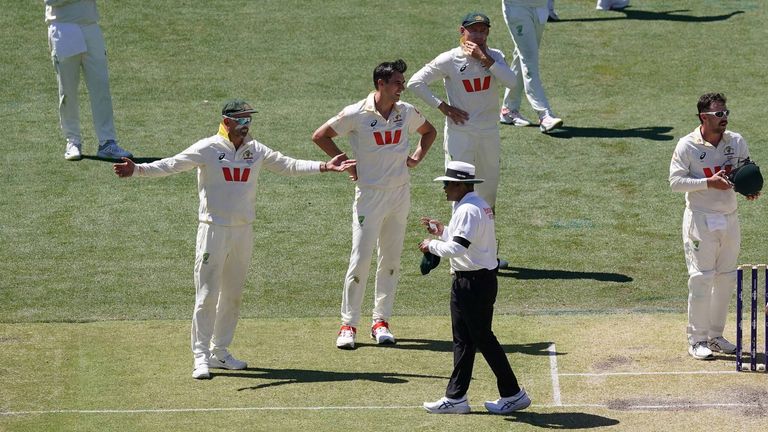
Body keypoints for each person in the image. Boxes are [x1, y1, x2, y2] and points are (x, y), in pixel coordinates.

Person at [113, 99, 354, 379]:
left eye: (249, 120)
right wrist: (138, 170)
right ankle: (200, 357)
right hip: (213, 229)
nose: (246, 126)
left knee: (232, 295)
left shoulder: (255, 149)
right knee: (206, 295)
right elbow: (172, 165)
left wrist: (325, 166)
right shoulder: (208, 147)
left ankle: (220, 352)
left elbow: (288, 165)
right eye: (241, 120)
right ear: (226, 122)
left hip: (243, 231)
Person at [313, 60, 436, 350]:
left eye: (403, 82)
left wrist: (417, 157)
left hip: (399, 195)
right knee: (360, 259)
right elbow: (321, 136)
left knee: (391, 260)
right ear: (380, 83)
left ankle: (381, 322)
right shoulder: (357, 113)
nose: (402, 88)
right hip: (369, 197)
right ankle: (348, 325)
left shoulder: (405, 112)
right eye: (397, 83)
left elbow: (429, 131)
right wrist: (346, 164)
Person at [419, 161, 530, 415]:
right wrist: (442, 231)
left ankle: (513, 394)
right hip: (472, 281)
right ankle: (456, 397)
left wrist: (431, 245)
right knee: (464, 341)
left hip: (474, 283)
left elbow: (458, 249)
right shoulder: (472, 205)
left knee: (482, 339)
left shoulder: (469, 209)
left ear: (460, 184)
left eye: (447, 184)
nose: (444, 189)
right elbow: (464, 239)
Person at [669, 93, 759, 360]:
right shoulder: (687, 145)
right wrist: (708, 183)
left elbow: (745, 172)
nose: (724, 118)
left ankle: (716, 337)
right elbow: (675, 182)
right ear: (703, 117)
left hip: (730, 218)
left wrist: (749, 190)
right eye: (719, 114)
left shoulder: (736, 141)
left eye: (726, 113)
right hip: (701, 219)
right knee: (701, 278)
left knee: (726, 278)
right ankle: (697, 339)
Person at [408, 12, 517, 216]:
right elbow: (415, 82)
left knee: (488, 189)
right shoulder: (450, 59)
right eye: (473, 30)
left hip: (489, 133)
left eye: (482, 31)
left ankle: (486, 241)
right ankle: (460, 242)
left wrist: (484, 58)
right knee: (459, 188)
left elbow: (512, 82)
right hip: (461, 134)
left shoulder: (496, 56)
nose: (478, 35)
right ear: (462, 31)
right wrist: (443, 106)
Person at [45, 0, 132, 161]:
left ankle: (107, 143)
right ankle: (73, 141)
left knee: (101, 87)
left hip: (90, 26)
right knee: (67, 91)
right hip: (63, 28)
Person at [498, 0, 563, 133]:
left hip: (540, 7)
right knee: (529, 60)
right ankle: (544, 115)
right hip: (517, 8)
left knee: (521, 56)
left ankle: (508, 109)